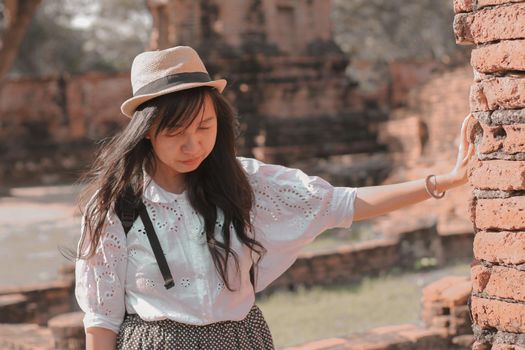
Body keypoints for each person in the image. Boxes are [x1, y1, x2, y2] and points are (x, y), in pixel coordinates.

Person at [74, 46, 475, 350]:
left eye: (205, 126)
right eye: (176, 132)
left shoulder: (243, 181)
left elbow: (340, 204)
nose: (194, 144)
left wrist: (442, 181)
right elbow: (102, 315)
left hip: (243, 339)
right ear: (147, 130)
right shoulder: (115, 206)